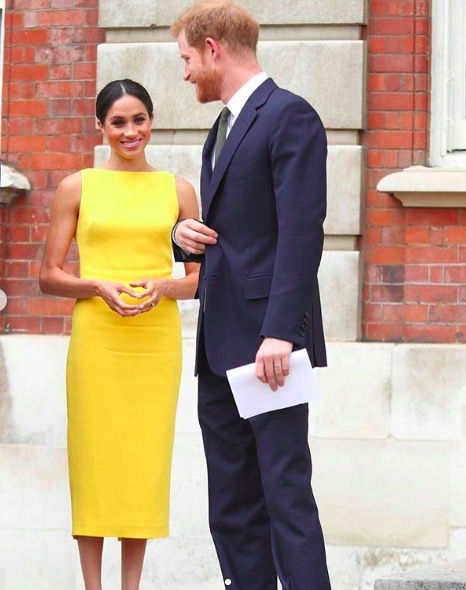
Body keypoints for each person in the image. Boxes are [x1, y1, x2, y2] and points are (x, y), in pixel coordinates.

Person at [170, 2, 332, 589]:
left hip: (269, 348)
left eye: (186, 58)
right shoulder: (221, 129)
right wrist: (182, 237)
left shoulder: (289, 115)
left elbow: (300, 230)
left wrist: (281, 334)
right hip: (218, 348)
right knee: (231, 509)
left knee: (285, 498)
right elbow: (235, 234)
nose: (184, 73)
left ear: (213, 48)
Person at [39, 79, 200, 590]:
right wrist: (95, 284)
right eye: (118, 122)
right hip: (97, 342)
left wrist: (164, 286)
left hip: (154, 344)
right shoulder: (77, 186)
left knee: (141, 464)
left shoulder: (178, 190)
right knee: (94, 463)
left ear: (151, 121)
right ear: (101, 127)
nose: (130, 131)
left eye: (139, 120)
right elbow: (48, 274)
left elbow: (200, 278)